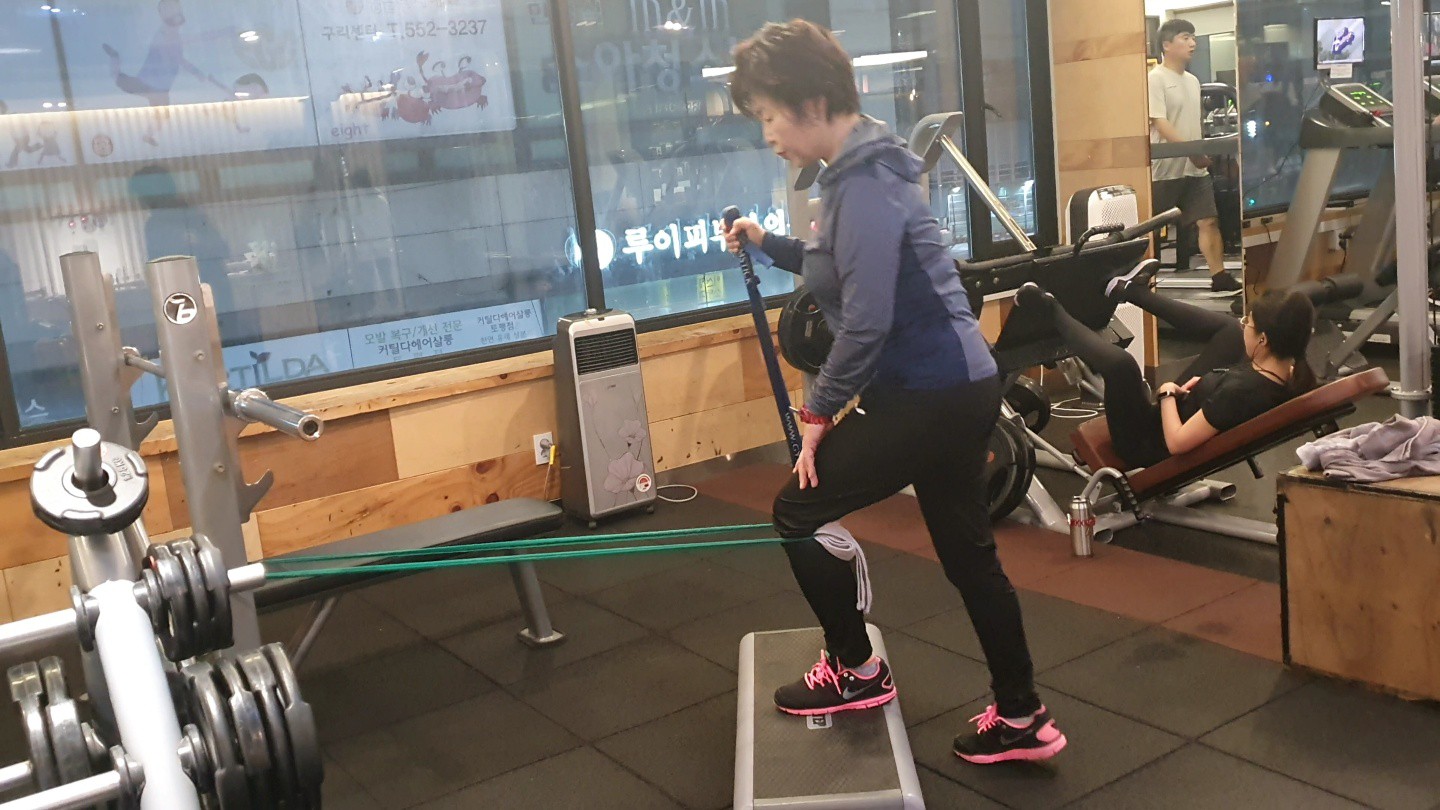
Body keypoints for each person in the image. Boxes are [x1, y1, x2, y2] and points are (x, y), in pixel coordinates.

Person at [722, 19, 1066, 765]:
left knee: (796, 510)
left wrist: (817, 413)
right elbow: (834, 264)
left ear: (813, 104)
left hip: (928, 392)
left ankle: (856, 671)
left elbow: (866, 322)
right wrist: (765, 242)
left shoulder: (866, 184)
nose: (768, 134)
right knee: (969, 557)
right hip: (956, 384)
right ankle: (1021, 715)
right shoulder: (859, 168)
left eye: (770, 116)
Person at [1014, 263, 1316, 469]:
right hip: (1187, 407)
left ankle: (1049, 310)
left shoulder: (1239, 393)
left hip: (1145, 442)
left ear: (1264, 340)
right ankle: (1129, 291)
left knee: (1122, 366)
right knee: (1229, 331)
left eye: (1249, 323)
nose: (1245, 325)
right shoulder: (1290, 372)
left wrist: (1168, 394)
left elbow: (1177, 444)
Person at [1150, 18, 1242, 294]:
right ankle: (1140, 283)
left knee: (1208, 220)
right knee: (1149, 228)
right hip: (1164, 169)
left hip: (1194, 169)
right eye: (1185, 37)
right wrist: (1191, 151)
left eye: (1193, 37)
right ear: (1167, 45)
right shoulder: (1155, 79)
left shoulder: (1192, 81)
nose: (1193, 43)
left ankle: (1219, 276)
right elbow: (1160, 123)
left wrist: (1197, 153)